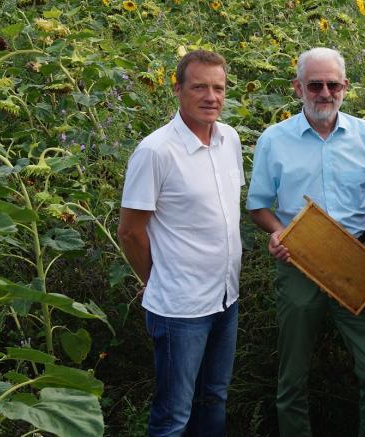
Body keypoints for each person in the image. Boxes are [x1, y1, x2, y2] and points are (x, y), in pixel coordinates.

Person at [245, 47, 365, 437]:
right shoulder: (274, 139)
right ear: (297, 88)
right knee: (293, 374)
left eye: (333, 84)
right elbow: (257, 206)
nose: (324, 92)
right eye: (314, 84)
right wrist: (278, 233)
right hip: (297, 260)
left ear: (345, 87)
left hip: (356, 260)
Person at [118, 49, 243, 436]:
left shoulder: (230, 140)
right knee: (173, 415)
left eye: (219, 88)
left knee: (214, 399)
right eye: (200, 87)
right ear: (177, 89)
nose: (211, 97)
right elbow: (130, 231)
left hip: (226, 299)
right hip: (180, 309)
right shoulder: (156, 152)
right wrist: (157, 280)